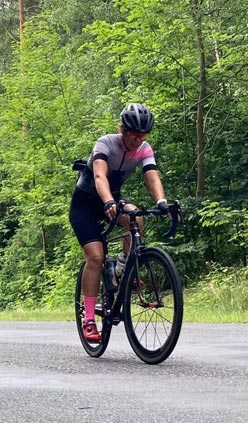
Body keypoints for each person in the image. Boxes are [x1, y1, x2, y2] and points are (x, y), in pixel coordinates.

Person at [69, 103, 172, 342]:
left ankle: (122, 270)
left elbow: (152, 177)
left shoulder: (144, 149)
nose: (138, 139)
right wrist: (107, 201)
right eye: (134, 134)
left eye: (143, 135)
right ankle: (88, 319)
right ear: (123, 130)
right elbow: (99, 176)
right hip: (85, 205)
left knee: (137, 218)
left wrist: (162, 202)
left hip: (112, 200)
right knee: (95, 257)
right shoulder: (105, 143)